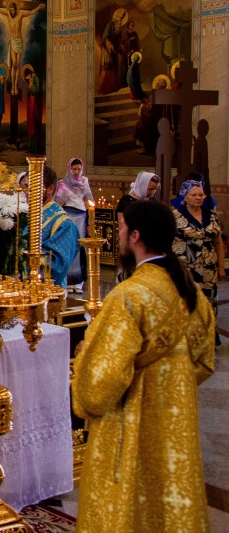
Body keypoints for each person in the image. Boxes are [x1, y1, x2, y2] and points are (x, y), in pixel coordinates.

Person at [72, 200, 215, 532]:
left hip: (130, 423)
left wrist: (84, 356)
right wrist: (169, 384)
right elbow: (204, 362)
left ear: (135, 236)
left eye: (121, 228)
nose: (118, 234)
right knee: (168, 499)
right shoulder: (191, 293)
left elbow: (99, 388)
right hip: (176, 422)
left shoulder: (128, 296)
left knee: (129, 504)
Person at [172, 180, 225, 345]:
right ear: (185, 196)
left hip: (209, 267)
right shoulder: (176, 216)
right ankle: (186, 338)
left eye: (201, 194)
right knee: (188, 301)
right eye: (193, 195)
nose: (198, 198)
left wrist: (221, 267)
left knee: (208, 302)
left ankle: (207, 338)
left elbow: (218, 243)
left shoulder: (211, 215)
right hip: (186, 267)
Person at [54, 158, 93, 292]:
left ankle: (78, 282)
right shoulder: (62, 184)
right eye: (74, 169)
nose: (76, 172)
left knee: (79, 246)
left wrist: (90, 222)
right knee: (68, 246)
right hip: (68, 214)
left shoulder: (84, 181)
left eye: (78, 169)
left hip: (81, 216)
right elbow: (58, 201)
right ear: (69, 169)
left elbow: (88, 199)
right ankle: (68, 280)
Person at [38, 166, 80, 289]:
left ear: (50, 189)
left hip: (48, 295)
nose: (26, 191)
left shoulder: (64, 224)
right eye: (25, 186)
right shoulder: (24, 216)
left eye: (34, 186)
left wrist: (21, 260)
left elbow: (57, 267)